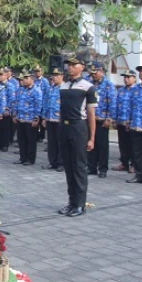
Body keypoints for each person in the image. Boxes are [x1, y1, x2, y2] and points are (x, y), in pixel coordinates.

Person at [57, 58, 97, 218]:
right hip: (65, 127)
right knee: (68, 166)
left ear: (82, 67)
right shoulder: (64, 86)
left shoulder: (88, 87)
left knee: (79, 166)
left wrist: (92, 137)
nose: (71, 68)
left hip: (79, 127)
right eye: (69, 65)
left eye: (75, 65)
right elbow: (62, 109)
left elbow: (91, 114)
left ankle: (80, 204)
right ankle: (71, 201)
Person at [87, 62, 117, 178]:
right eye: (92, 73)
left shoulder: (108, 85)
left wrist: (109, 118)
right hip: (90, 119)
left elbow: (112, 103)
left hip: (102, 119)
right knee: (90, 143)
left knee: (102, 145)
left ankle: (103, 169)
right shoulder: (89, 83)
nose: (93, 75)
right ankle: (91, 167)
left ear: (102, 72)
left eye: (96, 73)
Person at [14, 72, 42, 165]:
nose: (24, 80)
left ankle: (30, 159)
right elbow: (16, 103)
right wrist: (15, 115)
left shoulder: (36, 90)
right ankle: (22, 157)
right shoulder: (21, 90)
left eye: (26, 78)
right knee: (21, 139)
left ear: (32, 79)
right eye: (24, 78)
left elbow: (38, 106)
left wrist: (35, 118)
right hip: (20, 118)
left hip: (30, 119)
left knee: (31, 140)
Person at [113, 70, 137, 173]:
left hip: (131, 122)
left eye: (128, 77)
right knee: (122, 144)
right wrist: (114, 119)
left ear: (134, 78)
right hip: (120, 121)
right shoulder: (121, 90)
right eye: (125, 77)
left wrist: (132, 120)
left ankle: (134, 164)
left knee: (133, 144)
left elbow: (136, 107)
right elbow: (116, 105)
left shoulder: (137, 90)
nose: (126, 79)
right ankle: (124, 163)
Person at [42, 68, 63, 171]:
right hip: (50, 118)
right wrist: (44, 117)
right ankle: (52, 162)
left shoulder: (65, 88)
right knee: (51, 142)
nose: (54, 77)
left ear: (62, 76)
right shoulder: (51, 88)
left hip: (59, 119)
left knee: (60, 142)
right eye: (53, 75)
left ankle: (61, 163)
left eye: (56, 75)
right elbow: (46, 103)